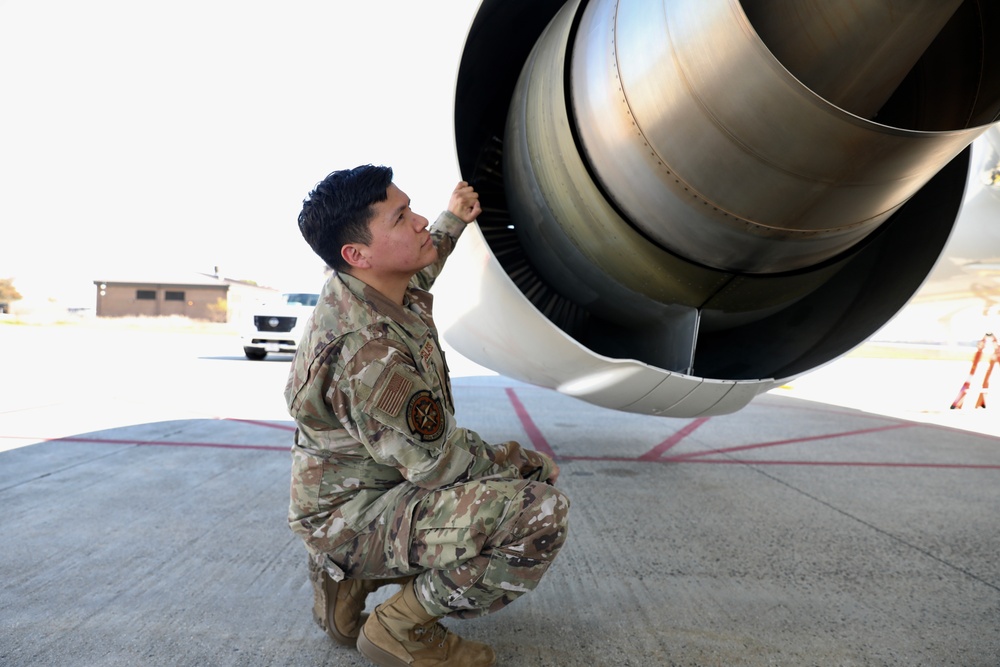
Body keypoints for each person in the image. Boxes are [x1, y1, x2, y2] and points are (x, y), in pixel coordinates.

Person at [286, 165, 570, 667]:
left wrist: (453, 218)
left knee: (510, 480)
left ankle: (346, 580)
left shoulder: (369, 282)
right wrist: (521, 461)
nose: (418, 222)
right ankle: (398, 627)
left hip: (362, 493)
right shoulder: (368, 357)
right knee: (538, 511)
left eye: (412, 208)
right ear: (359, 254)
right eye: (401, 217)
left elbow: (424, 260)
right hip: (354, 517)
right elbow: (440, 465)